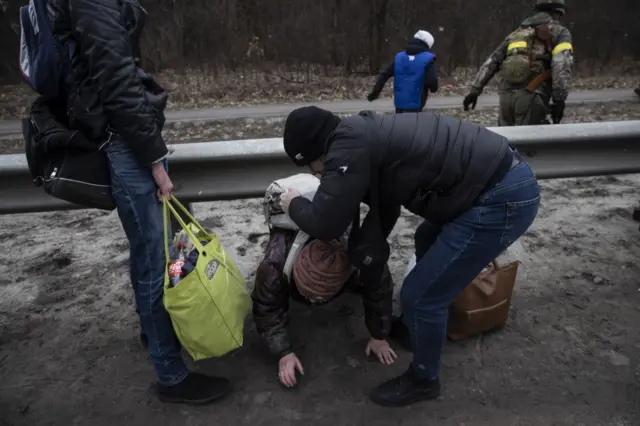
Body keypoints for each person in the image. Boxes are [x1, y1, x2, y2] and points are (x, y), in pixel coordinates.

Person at [277, 106, 540, 407]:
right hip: (487, 183)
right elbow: (386, 202)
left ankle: (424, 379)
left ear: (317, 149)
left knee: (421, 295)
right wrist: (366, 248)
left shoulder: (347, 147)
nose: (316, 174)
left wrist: (293, 203)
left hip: (501, 197)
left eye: (313, 166)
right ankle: (421, 327)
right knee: (425, 236)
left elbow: (325, 222)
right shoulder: (360, 134)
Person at [46, 0, 230, 404]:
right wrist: (153, 157)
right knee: (154, 261)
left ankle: (154, 334)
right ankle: (170, 374)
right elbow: (117, 79)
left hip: (122, 137)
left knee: (148, 253)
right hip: (126, 142)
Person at [253, 174, 397, 388]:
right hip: (294, 240)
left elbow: (381, 288)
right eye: (309, 295)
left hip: (343, 256)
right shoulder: (274, 265)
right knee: (272, 292)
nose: (314, 301)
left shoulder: (359, 256)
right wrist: (283, 353)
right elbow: (266, 309)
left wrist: (379, 335)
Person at [463, 0, 574, 126]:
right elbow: (562, 64)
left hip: (505, 98)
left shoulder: (517, 33)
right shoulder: (560, 32)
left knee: (507, 142)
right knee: (530, 143)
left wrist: (474, 92)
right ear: (558, 12)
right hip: (532, 95)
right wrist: (559, 99)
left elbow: (492, 62)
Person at [367, 30, 439, 113]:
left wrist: (375, 92)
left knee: (399, 125)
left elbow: (384, 75)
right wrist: (431, 86)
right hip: (416, 104)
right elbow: (433, 84)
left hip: (399, 104)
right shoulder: (428, 59)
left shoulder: (399, 57)